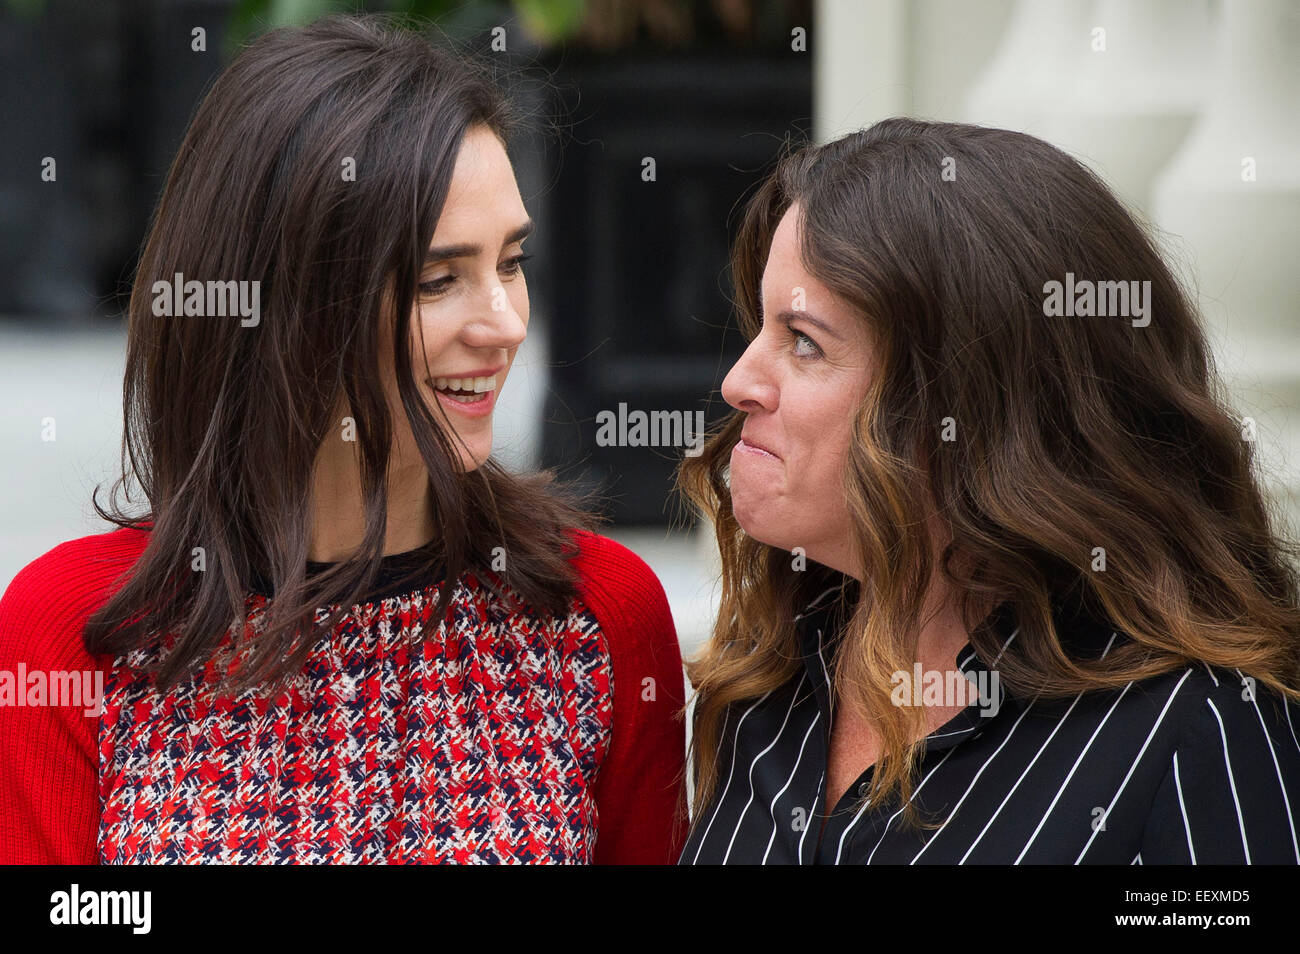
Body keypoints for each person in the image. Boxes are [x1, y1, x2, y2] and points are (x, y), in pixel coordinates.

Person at [0, 14, 686, 865]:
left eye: (511, 262)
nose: (505, 323)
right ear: (287, 312)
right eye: (440, 280)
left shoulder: (599, 616)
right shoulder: (72, 634)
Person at [676, 117, 1300, 864]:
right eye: (759, 327)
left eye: (803, 341)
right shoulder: (768, 678)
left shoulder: (1195, 731)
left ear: (969, 410)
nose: (738, 381)